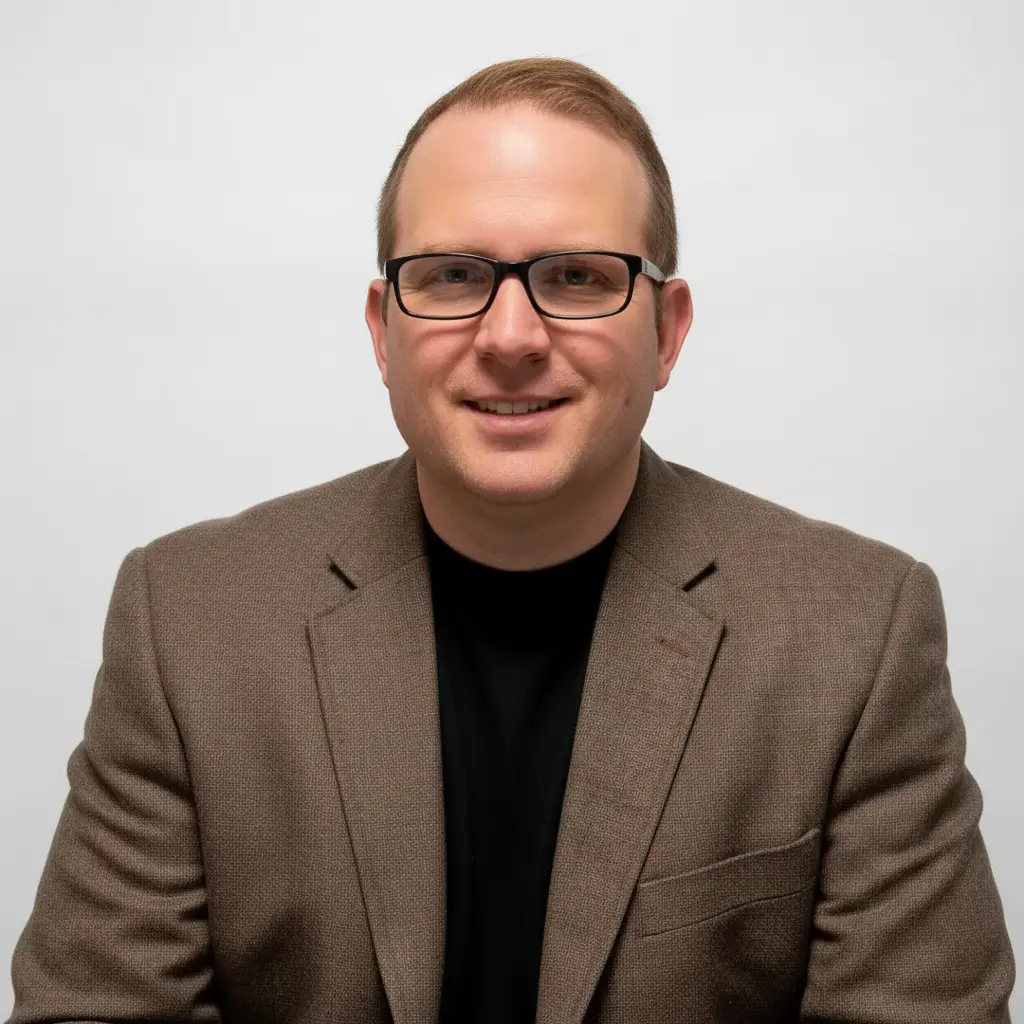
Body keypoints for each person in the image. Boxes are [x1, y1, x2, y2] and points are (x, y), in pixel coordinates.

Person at [6, 56, 1015, 1024]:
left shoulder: (856, 635)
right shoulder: (188, 619)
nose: (511, 333)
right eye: (451, 275)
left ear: (666, 332)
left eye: (577, 275)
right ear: (381, 329)